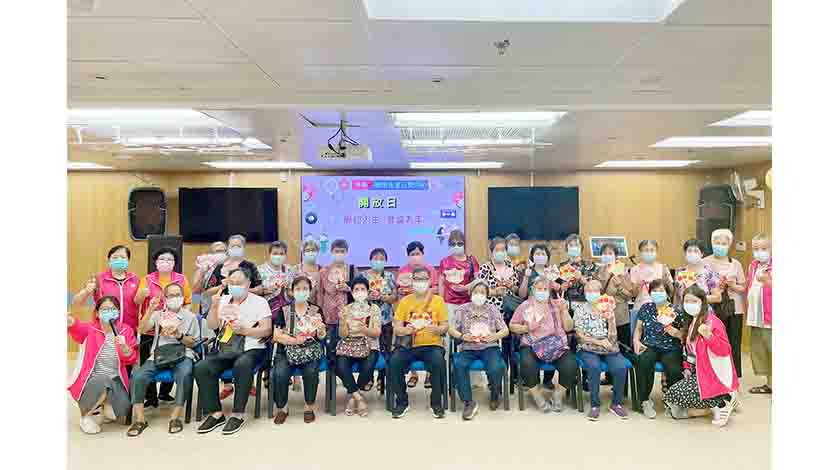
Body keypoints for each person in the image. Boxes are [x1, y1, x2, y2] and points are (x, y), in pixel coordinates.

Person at [194, 268, 272, 435]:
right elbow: (213, 326)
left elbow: (267, 330)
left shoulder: (259, 302)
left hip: (251, 347)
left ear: (248, 283)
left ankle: (238, 414)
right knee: (202, 367)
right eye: (232, 283)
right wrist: (214, 306)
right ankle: (216, 414)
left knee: (242, 364)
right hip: (225, 347)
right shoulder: (223, 300)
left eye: (239, 283)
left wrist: (245, 330)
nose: (235, 286)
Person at [194, 234, 263, 401]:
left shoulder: (249, 266)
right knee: (225, 345)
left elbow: (260, 288)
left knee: (244, 346)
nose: (235, 248)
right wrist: (223, 285)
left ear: (244, 247)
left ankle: (246, 381)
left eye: (239, 245)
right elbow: (202, 292)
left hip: (245, 312)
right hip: (221, 313)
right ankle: (227, 385)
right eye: (232, 245)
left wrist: (242, 289)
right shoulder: (218, 268)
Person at [127, 283, 199, 436]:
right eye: (171, 295)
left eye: (178, 295)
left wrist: (179, 335)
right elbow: (141, 329)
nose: (175, 298)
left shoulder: (190, 316)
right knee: (138, 376)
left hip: (183, 353)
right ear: (165, 299)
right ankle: (140, 419)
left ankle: (175, 417)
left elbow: (193, 343)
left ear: (183, 297)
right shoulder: (158, 314)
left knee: (184, 374)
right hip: (159, 353)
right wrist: (150, 309)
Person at [664, 285, 740, 427]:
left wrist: (709, 336)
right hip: (698, 372)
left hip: (713, 375)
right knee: (672, 399)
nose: (690, 304)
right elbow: (690, 348)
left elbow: (724, 350)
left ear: (702, 302)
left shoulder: (712, 322)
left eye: (694, 301)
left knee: (675, 396)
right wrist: (687, 367)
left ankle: (722, 402)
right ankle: (720, 400)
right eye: (687, 301)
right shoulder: (692, 320)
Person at [67, 296, 138, 434]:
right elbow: (77, 328)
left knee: (118, 414)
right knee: (102, 379)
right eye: (105, 309)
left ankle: (104, 405)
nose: (109, 312)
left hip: (115, 380)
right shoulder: (91, 329)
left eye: (112, 309)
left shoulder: (125, 330)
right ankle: (86, 416)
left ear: (118, 312)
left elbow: (132, 357)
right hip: (94, 379)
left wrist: (125, 348)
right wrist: (70, 322)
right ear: (97, 313)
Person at [134, 246, 193, 408]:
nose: (165, 262)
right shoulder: (147, 279)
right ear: (156, 262)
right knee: (149, 360)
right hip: (151, 328)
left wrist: (179, 322)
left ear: (174, 263)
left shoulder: (181, 279)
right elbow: (137, 301)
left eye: (169, 259)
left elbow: (187, 302)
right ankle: (151, 397)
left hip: (173, 329)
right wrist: (142, 295)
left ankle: (165, 392)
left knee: (173, 356)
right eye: (162, 259)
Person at [509, 276, 577, 413]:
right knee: (527, 364)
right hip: (531, 344)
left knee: (571, 365)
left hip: (556, 344)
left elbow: (569, 327)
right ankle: (537, 395)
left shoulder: (557, 304)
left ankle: (558, 394)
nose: (542, 291)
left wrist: (564, 311)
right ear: (533, 290)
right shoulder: (525, 306)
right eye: (539, 289)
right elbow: (512, 326)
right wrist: (527, 328)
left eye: (545, 289)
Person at [389, 266, 449, 419]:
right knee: (394, 362)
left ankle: (436, 402)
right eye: (417, 279)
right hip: (409, 344)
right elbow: (397, 328)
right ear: (412, 282)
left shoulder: (438, 301)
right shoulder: (405, 301)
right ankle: (402, 402)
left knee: (438, 362)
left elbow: (445, 327)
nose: (420, 282)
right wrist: (406, 330)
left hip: (432, 344)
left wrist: (436, 329)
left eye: (424, 279)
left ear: (429, 281)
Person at [271, 276, 328, 424]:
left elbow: (322, 336)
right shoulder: (284, 310)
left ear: (310, 291)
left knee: (311, 372)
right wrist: (294, 340)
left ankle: (309, 406)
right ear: (291, 291)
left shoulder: (316, 310)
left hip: (309, 349)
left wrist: (321, 329)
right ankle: (282, 408)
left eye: (305, 289)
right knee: (280, 373)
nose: (301, 291)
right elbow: (276, 336)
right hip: (286, 350)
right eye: (298, 289)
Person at [449, 281, 509, 420]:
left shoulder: (492, 309)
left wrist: (494, 336)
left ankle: (495, 394)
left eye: (482, 292)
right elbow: (450, 329)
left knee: (496, 367)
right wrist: (462, 336)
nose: (479, 295)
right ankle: (468, 402)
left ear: (487, 295)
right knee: (459, 365)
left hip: (489, 347)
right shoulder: (462, 309)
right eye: (476, 292)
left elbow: (505, 330)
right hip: (468, 347)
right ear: (470, 293)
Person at [574, 280, 630, 421]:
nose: (592, 294)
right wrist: (599, 342)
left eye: (595, 291)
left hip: (608, 346)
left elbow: (613, 336)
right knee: (594, 367)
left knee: (621, 367)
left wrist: (611, 320)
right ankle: (595, 405)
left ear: (600, 293)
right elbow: (580, 336)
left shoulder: (607, 308)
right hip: (588, 347)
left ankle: (616, 403)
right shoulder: (579, 309)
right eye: (588, 291)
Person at [633, 279, 689, 419]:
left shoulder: (676, 311)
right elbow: (638, 328)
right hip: (649, 345)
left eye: (661, 290)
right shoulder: (646, 308)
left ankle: (673, 401)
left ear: (667, 293)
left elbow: (684, 336)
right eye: (654, 291)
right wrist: (636, 341)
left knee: (674, 369)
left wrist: (674, 332)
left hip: (671, 347)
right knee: (643, 362)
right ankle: (644, 400)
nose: (657, 293)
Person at [516, 243, 564, 389]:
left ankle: (548, 379)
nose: (540, 256)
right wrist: (526, 277)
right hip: (531, 311)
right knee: (533, 342)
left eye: (543, 254)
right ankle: (533, 379)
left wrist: (558, 286)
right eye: (537, 253)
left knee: (551, 340)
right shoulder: (527, 271)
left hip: (550, 311)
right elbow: (522, 294)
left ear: (547, 257)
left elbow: (560, 291)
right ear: (532, 256)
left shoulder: (553, 272)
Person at [439, 230, 481, 386]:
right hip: (449, 304)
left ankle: (471, 379)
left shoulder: (471, 260)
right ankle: (448, 377)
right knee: (448, 340)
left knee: (470, 339)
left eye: (459, 243)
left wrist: (466, 288)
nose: (456, 246)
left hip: (468, 304)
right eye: (453, 244)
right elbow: (441, 283)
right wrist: (441, 303)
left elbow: (478, 282)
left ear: (464, 244)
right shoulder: (444, 261)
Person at [335, 276, 383, 417]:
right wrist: (342, 322)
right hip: (349, 344)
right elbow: (343, 335)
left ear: (368, 292)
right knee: (340, 364)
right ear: (352, 292)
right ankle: (359, 398)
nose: (360, 292)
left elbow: (377, 333)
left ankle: (352, 397)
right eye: (356, 289)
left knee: (368, 365)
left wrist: (365, 330)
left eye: (363, 289)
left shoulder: (374, 309)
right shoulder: (346, 309)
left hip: (369, 344)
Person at [703, 229, 747, 378]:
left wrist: (732, 285)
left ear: (729, 245)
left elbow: (743, 287)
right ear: (712, 243)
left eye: (724, 243)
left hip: (734, 309)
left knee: (733, 343)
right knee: (714, 342)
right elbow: (700, 286)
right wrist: (716, 287)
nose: (720, 246)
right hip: (712, 308)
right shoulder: (704, 262)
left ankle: (734, 378)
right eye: (717, 243)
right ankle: (715, 376)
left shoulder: (735, 264)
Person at [397, 241, 439, 388]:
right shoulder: (403, 270)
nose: (415, 256)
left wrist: (423, 295)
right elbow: (399, 289)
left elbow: (435, 289)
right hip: (408, 311)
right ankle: (413, 374)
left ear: (423, 254)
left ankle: (429, 374)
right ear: (408, 256)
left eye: (418, 253)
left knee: (427, 341)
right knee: (409, 342)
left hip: (427, 310)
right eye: (412, 254)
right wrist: (403, 291)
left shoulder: (430, 269)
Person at [72, 245, 141, 331]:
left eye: (123, 257)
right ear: (109, 260)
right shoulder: (98, 279)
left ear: (128, 260)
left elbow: (140, 303)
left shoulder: (135, 279)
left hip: (129, 330)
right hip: (103, 330)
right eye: (115, 257)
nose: (119, 260)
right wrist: (86, 291)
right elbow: (76, 302)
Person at [363, 248, 397, 391]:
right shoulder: (363, 276)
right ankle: (368, 378)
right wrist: (367, 296)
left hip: (386, 319)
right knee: (369, 349)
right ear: (370, 260)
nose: (378, 261)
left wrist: (384, 297)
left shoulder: (389, 276)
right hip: (368, 320)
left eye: (381, 259)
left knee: (385, 351)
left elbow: (394, 297)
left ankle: (381, 380)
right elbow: (357, 294)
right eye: (375, 258)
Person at [319, 239, 354, 368]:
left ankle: (344, 371)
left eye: (342, 251)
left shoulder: (351, 270)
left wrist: (348, 288)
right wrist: (320, 314)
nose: (339, 254)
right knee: (331, 348)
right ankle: (332, 374)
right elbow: (320, 293)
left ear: (346, 252)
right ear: (331, 252)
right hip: (329, 316)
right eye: (336, 251)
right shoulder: (324, 271)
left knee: (345, 349)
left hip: (347, 316)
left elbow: (359, 290)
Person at [595, 242, 634, 352]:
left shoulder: (622, 271)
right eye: (604, 253)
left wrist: (620, 287)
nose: (607, 256)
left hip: (620, 316)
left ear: (616, 256)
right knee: (606, 348)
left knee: (623, 348)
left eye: (610, 253)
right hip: (602, 317)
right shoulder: (598, 272)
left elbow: (629, 295)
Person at [746, 233, 772, 394]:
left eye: (763, 248)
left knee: (772, 349)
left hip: (771, 317)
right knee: (760, 350)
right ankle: (769, 384)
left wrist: (768, 282)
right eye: (756, 248)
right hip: (756, 316)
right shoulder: (753, 266)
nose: (759, 252)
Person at [674, 239, 722, 309]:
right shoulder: (679, 272)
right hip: (683, 312)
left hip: (702, 311)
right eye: (689, 251)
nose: (692, 253)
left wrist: (697, 299)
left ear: (702, 254)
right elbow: (677, 296)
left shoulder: (709, 272)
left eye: (696, 251)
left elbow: (717, 297)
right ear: (685, 253)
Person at [629, 239, 674, 313]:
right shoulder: (635, 269)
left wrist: (667, 280)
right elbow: (633, 294)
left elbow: (671, 292)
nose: (649, 253)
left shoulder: (663, 268)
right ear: (640, 253)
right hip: (640, 308)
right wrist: (639, 283)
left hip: (661, 309)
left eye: (652, 250)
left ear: (656, 252)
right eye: (646, 250)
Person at [256, 241, 292, 322]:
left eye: (281, 254)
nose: (278, 256)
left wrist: (288, 289)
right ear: (269, 254)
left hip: (285, 313)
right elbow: (252, 292)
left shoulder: (289, 270)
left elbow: (292, 293)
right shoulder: (259, 270)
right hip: (265, 313)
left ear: (285, 255)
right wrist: (265, 291)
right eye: (275, 253)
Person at [192, 241, 227, 318]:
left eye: (223, 251)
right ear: (211, 254)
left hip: (226, 312)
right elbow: (195, 294)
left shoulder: (232, 268)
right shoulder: (201, 270)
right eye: (217, 251)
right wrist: (202, 274)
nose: (220, 254)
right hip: (206, 311)